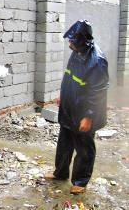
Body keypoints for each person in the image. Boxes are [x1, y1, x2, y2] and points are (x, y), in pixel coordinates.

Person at [45, 20, 109, 194]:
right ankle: (60, 173)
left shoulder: (97, 61)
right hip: (70, 106)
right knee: (64, 143)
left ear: (82, 41)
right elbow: (69, 77)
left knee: (84, 147)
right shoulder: (77, 52)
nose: (69, 44)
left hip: (85, 112)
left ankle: (80, 181)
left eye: (72, 41)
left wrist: (88, 116)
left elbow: (98, 92)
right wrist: (63, 96)